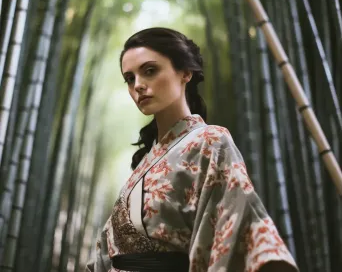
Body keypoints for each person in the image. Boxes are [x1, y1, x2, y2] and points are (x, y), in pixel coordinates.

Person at [86, 28, 298, 272]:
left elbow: (237, 225)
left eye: (150, 71)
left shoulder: (210, 141)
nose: (138, 85)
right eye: (130, 78)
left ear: (185, 73)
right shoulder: (147, 160)